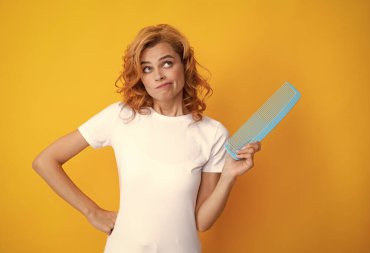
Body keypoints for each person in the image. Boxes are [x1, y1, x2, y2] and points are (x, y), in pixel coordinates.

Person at [32, 24, 262, 253]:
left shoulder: (212, 133)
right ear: (140, 77)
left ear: (184, 65)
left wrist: (228, 176)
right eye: (147, 69)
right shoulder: (121, 117)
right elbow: (45, 161)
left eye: (167, 63)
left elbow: (202, 221)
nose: (158, 75)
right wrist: (92, 212)